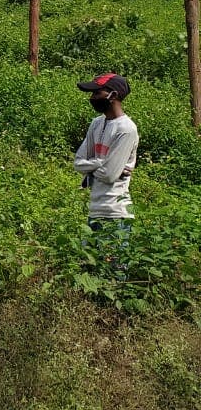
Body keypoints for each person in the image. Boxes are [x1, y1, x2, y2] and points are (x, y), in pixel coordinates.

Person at [74, 73, 138, 277]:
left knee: (115, 273)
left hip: (116, 212)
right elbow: (78, 162)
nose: (92, 97)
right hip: (95, 209)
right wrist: (102, 163)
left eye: (97, 92)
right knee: (89, 269)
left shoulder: (127, 129)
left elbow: (110, 175)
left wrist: (96, 166)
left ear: (114, 95)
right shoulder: (96, 123)